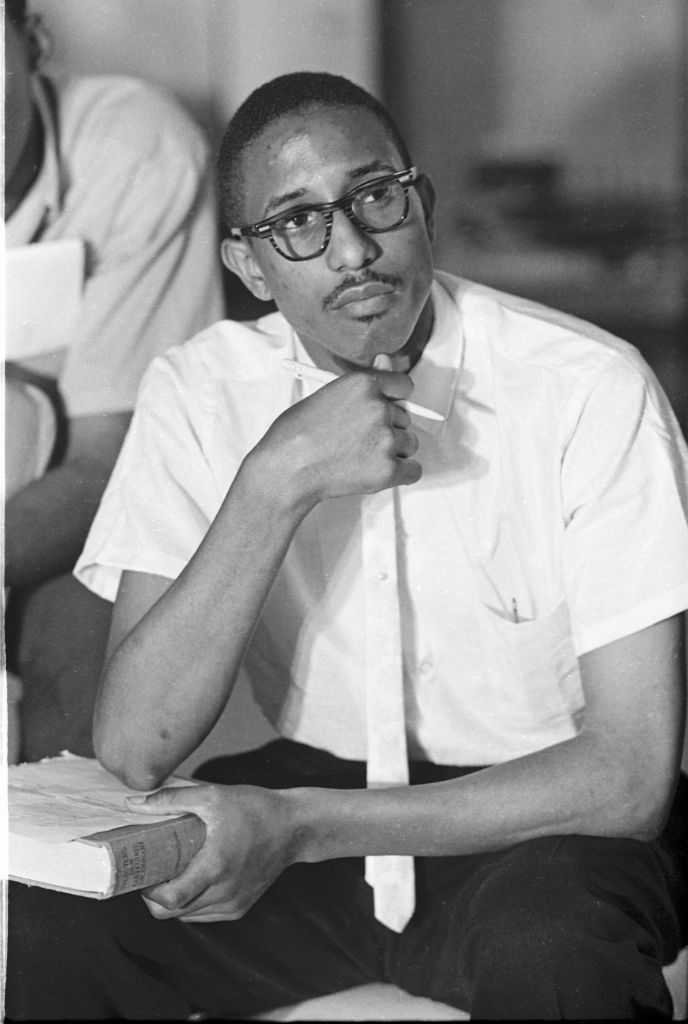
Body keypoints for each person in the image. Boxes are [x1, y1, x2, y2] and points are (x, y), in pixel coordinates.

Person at [7, 71, 688, 1021]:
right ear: (250, 270)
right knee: (37, 927)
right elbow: (133, 744)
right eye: (298, 223)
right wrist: (274, 481)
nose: (356, 249)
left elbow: (629, 778)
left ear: (424, 203)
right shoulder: (200, 392)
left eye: (375, 196)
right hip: (316, 789)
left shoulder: (588, 387)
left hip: (541, 816)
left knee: (552, 955)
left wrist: (297, 827)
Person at [4, 0, 224, 759]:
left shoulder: (136, 153)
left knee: (93, 641)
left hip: (67, 507)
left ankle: (52, 868)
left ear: (32, 44)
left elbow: (113, 465)